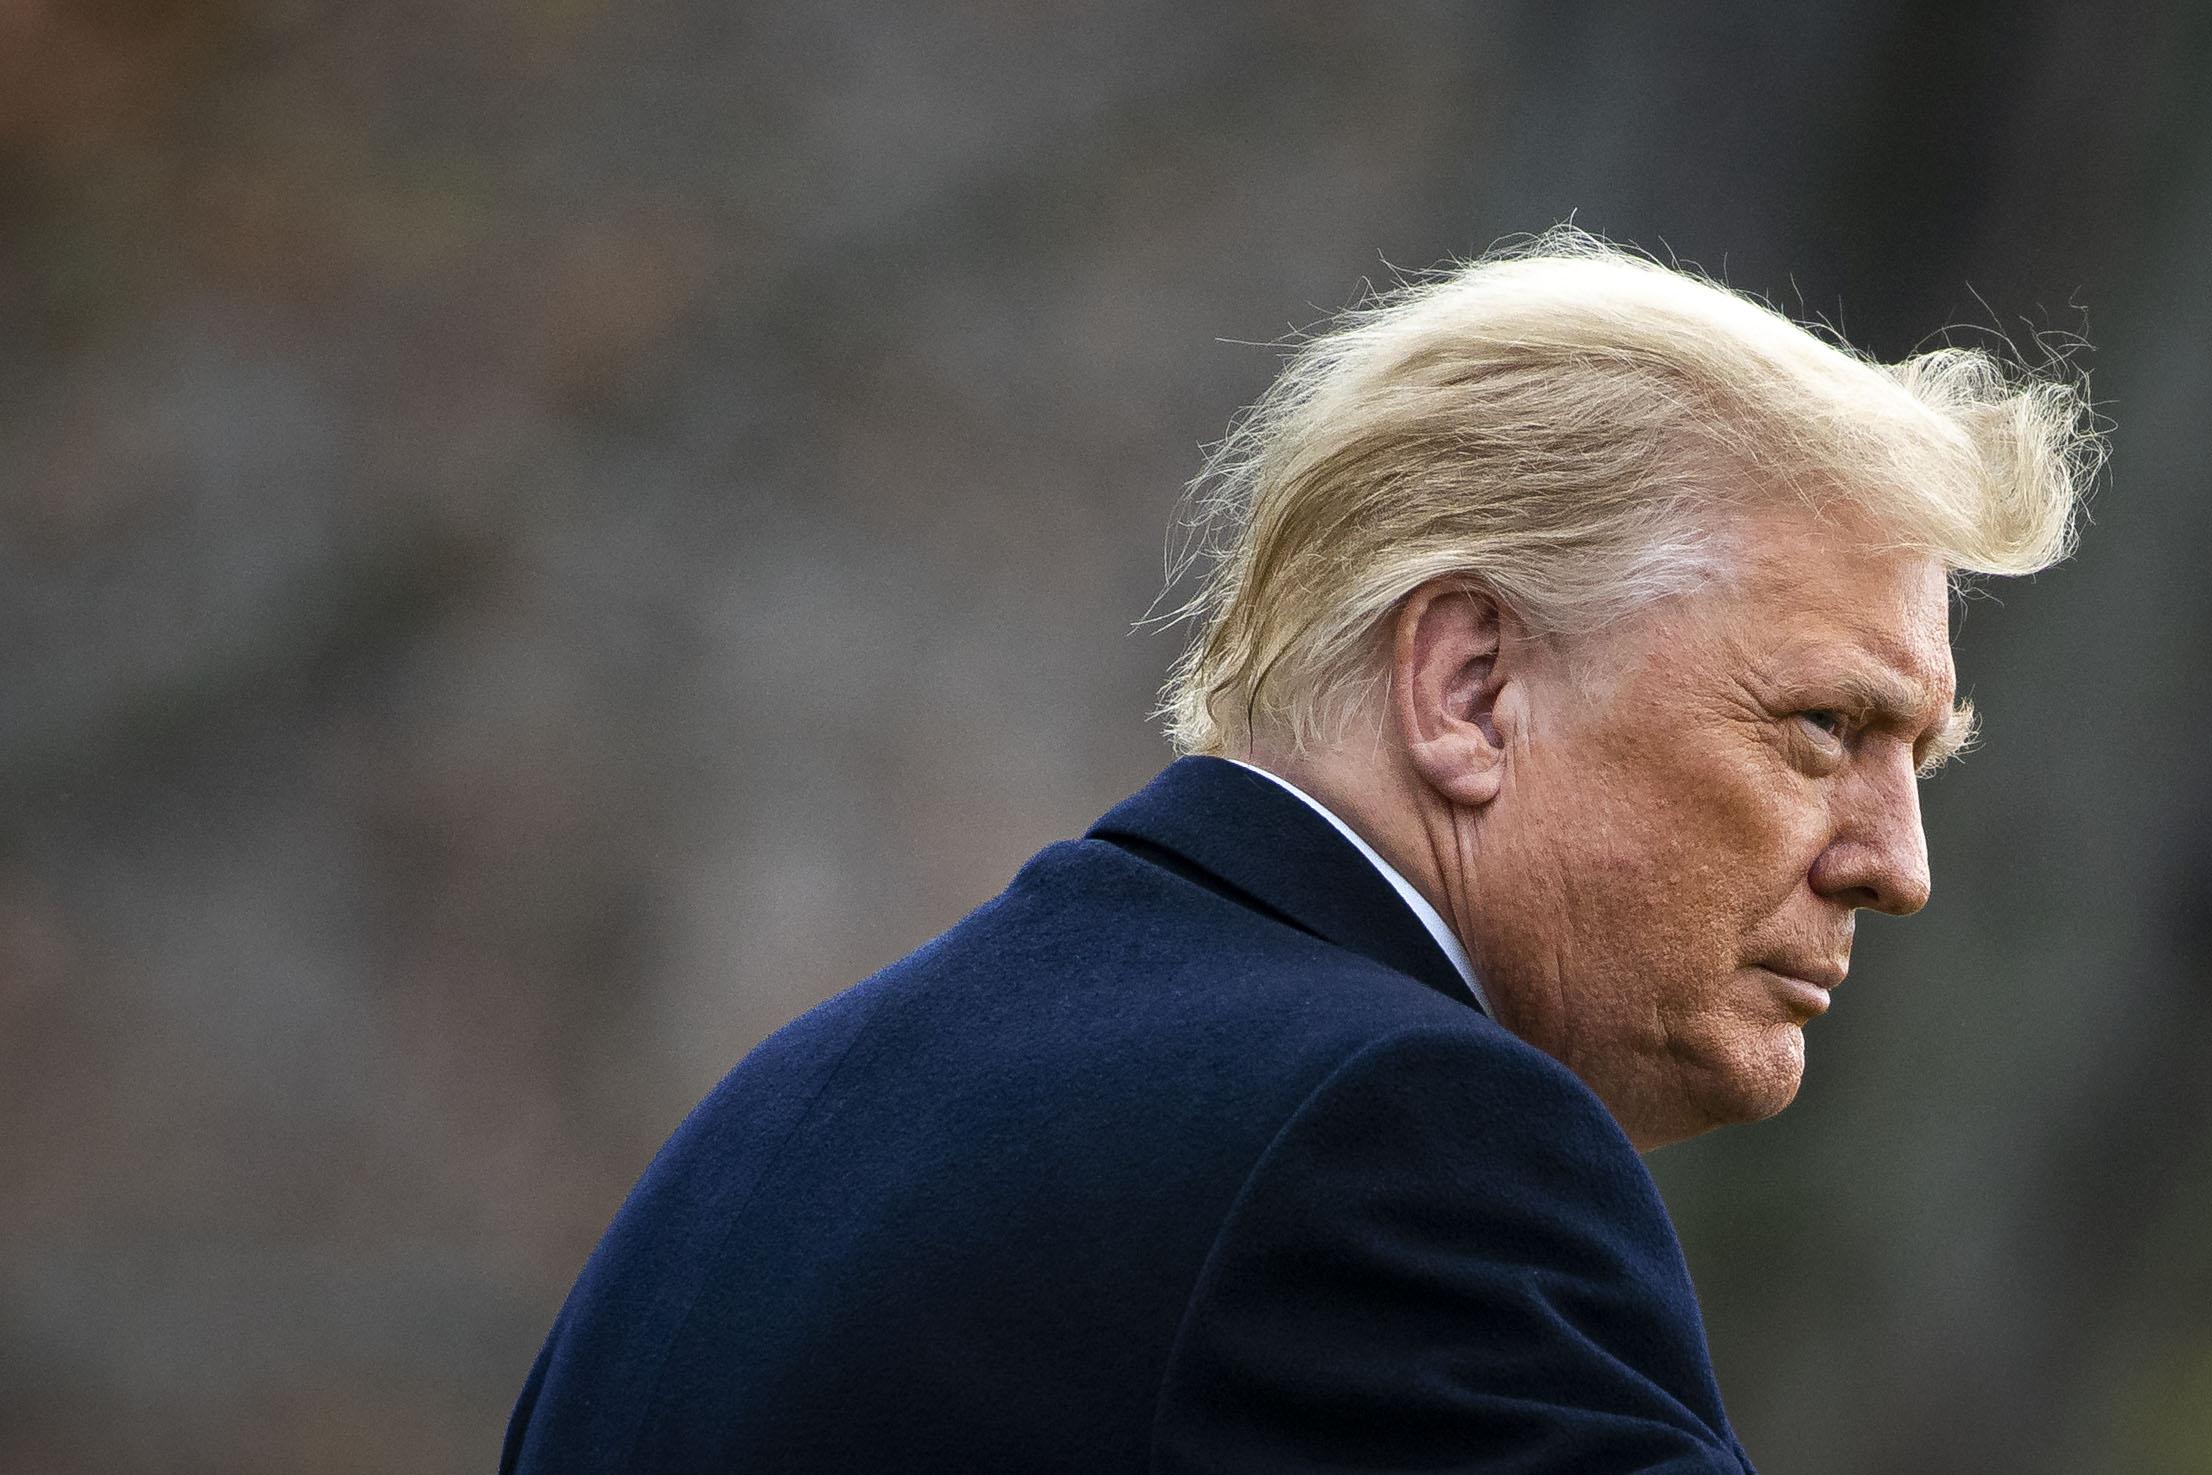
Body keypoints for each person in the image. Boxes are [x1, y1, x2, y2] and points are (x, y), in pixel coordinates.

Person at [499, 231, 2096, 1473]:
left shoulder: (783, 1117)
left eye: (1919, 757)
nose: (1897, 861)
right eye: (1823, 727)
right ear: (1468, 687)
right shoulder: (1396, 1150)